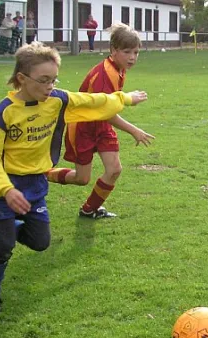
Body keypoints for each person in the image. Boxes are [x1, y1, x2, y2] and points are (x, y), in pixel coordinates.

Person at [0, 42, 148, 313]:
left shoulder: (57, 101)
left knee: (41, 242)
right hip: (4, 185)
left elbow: (92, 101)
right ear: (22, 78)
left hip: (35, 183)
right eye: (43, 80)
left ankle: (4, 230)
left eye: (53, 79)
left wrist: (125, 98)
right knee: (4, 245)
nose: (50, 86)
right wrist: (6, 189)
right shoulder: (5, 112)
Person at [46, 23, 154, 219]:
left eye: (136, 52)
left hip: (101, 124)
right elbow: (105, 112)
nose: (132, 57)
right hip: (83, 126)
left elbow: (105, 112)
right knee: (81, 179)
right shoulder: (104, 74)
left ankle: (89, 209)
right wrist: (134, 130)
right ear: (113, 50)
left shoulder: (119, 68)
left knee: (114, 170)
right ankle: (42, 174)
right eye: (127, 51)